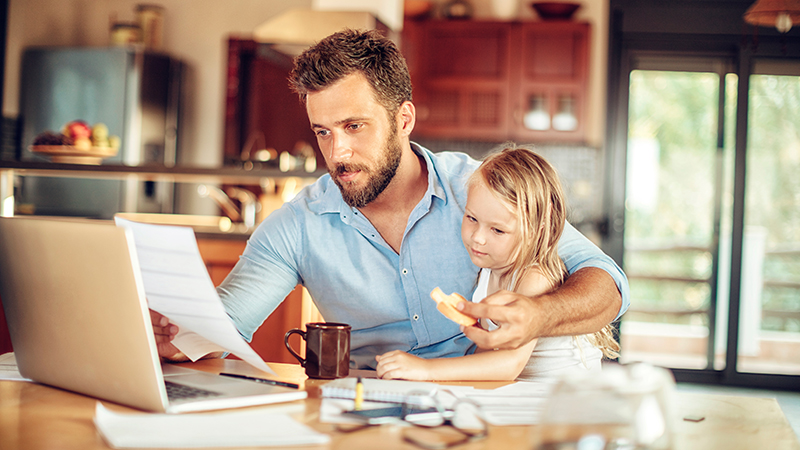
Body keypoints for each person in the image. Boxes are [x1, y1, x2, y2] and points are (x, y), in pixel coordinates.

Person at [151, 29, 629, 369]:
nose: (337, 153)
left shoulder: (480, 188)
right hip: (367, 410)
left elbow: (609, 284)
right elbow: (224, 324)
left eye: (354, 127)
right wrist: (177, 337)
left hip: (486, 405)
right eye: (323, 132)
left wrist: (539, 316)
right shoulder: (296, 226)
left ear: (404, 119)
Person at [375, 146, 619, 381]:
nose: (477, 237)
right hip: (524, 397)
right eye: (471, 218)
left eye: (498, 230)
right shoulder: (487, 272)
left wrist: (426, 369)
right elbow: (488, 357)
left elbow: (509, 365)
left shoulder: (534, 277)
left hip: (565, 402)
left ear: (536, 231)